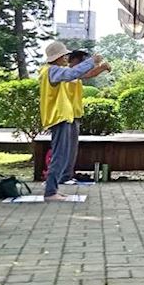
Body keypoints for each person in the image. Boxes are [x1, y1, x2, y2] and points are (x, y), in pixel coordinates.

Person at [39, 41, 101, 200]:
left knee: (62, 154)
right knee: (59, 155)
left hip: (62, 116)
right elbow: (72, 74)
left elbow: (76, 73)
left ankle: (54, 189)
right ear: (57, 57)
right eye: (64, 55)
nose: (66, 58)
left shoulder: (51, 70)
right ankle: (50, 192)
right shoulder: (52, 70)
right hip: (59, 117)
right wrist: (91, 61)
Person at [60, 49, 109, 184]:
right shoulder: (67, 73)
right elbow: (89, 73)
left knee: (71, 148)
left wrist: (101, 68)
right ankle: (63, 176)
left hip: (74, 115)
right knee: (66, 148)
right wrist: (102, 67)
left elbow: (89, 73)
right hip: (66, 116)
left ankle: (67, 175)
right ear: (76, 61)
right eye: (83, 61)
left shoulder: (72, 75)